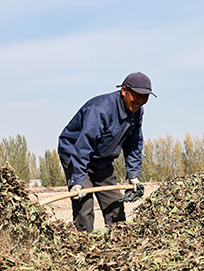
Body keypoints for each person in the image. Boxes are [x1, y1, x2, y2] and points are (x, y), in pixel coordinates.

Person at [57, 72, 155, 232]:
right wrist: (77, 181)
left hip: (102, 160)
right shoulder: (100, 110)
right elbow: (83, 146)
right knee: (84, 207)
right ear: (124, 91)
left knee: (115, 206)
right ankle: (84, 247)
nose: (140, 101)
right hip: (76, 156)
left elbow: (134, 143)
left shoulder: (137, 111)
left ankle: (118, 244)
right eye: (137, 96)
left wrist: (133, 176)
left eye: (145, 97)